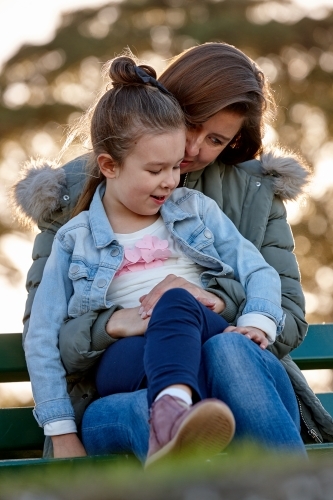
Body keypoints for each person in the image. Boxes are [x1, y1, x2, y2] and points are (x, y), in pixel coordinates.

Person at [13, 42, 333, 461]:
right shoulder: (73, 213)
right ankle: (192, 431)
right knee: (129, 404)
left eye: (216, 139)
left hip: (235, 370)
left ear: (235, 142)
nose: (191, 150)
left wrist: (206, 300)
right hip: (124, 376)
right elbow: (46, 332)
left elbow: (285, 312)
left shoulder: (232, 198)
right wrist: (113, 324)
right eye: (190, 124)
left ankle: (280, 475)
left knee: (226, 348)